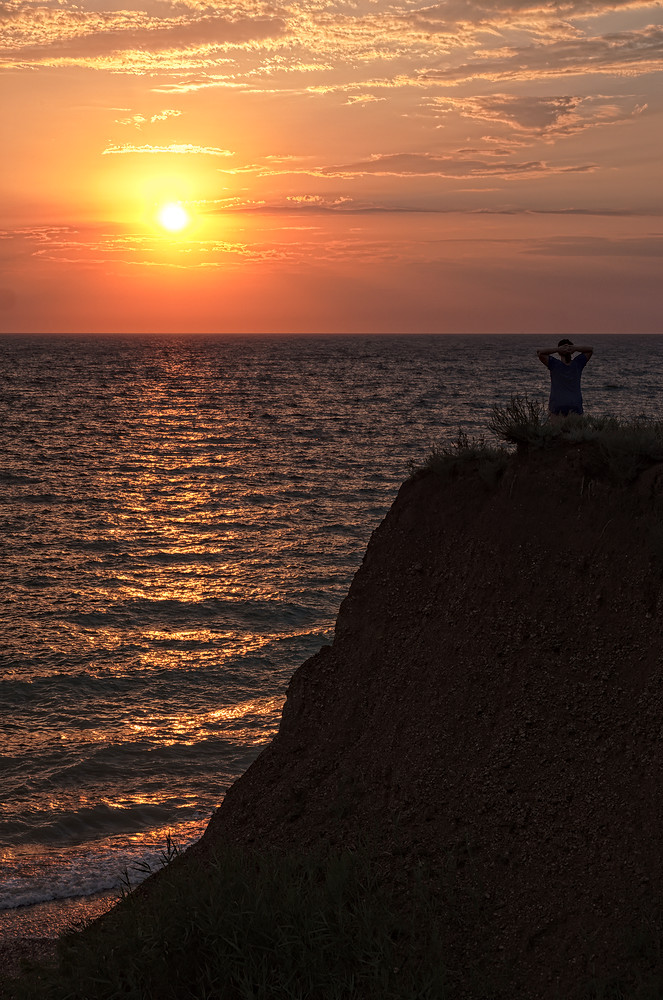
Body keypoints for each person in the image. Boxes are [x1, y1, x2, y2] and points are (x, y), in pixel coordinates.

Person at [536, 339, 593, 419]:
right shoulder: (577, 363)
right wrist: (575, 348)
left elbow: (540, 352)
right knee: (576, 431)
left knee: (557, 431)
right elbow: (590, 350)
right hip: (575, 406)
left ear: (559, 353)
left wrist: (558, 349)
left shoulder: (554, 364)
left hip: (556, 407)